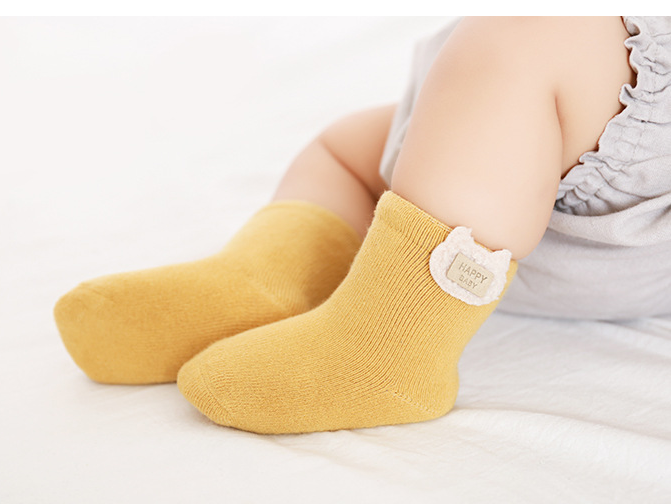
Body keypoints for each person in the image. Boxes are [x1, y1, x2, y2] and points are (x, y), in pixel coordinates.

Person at [54, 16, 671, 434]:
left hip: (608, 156)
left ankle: (389, 346)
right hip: (512, 158)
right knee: (348, 151)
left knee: (529, 37)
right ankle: (267, 277)